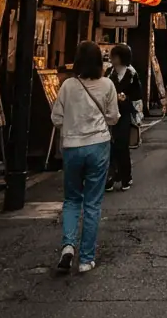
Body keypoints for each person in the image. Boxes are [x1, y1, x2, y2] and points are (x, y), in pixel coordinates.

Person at [51, 41, 119, 274]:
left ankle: (68, 246)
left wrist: (72, 123)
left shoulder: (68, 85)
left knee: (71, 199)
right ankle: (86, 259)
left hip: (72, 145)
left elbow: (56, 118)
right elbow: (113, 117)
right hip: (98, 145)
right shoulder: (107, 85)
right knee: (92, 203)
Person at [105, 43, 142, 191]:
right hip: (109, 113)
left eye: (115, 56)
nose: (112, 59)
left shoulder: (131, 73)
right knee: (109, 145)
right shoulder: (109, 72)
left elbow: (137, 95)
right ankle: (112, 176)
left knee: (121, 144)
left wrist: (126, 98)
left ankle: (125, 176)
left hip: (125, 113)